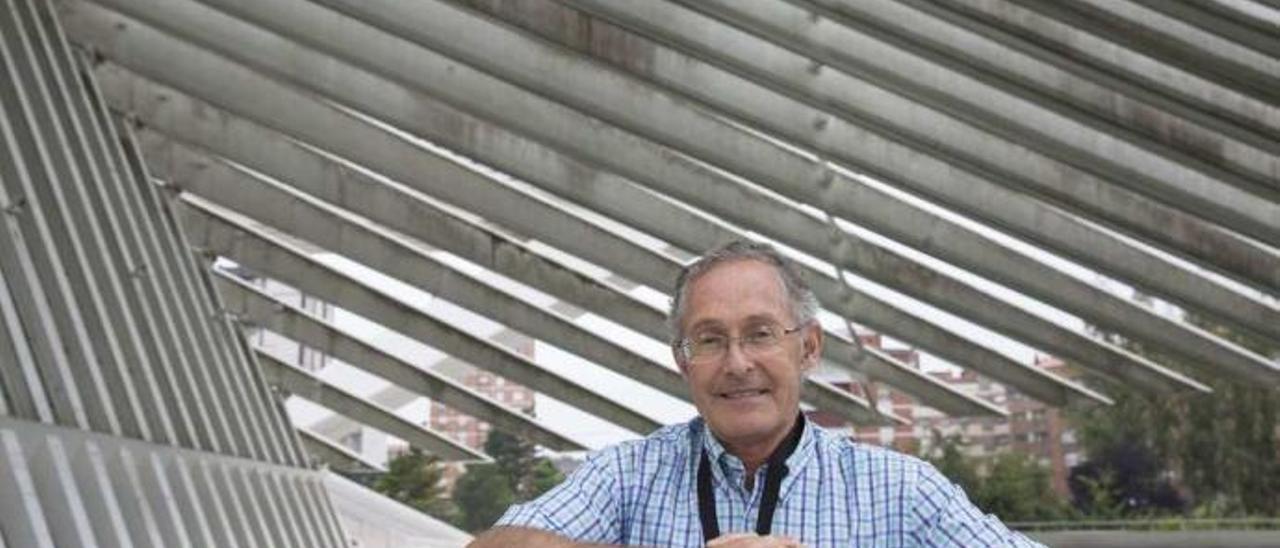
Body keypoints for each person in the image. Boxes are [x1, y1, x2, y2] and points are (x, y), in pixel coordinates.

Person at [468, 240, 1043, 547]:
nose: (738, 363)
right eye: (710, 339)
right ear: (682, 361)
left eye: (761, 334)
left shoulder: (900, 491)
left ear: (809, 348)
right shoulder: (627, 477)